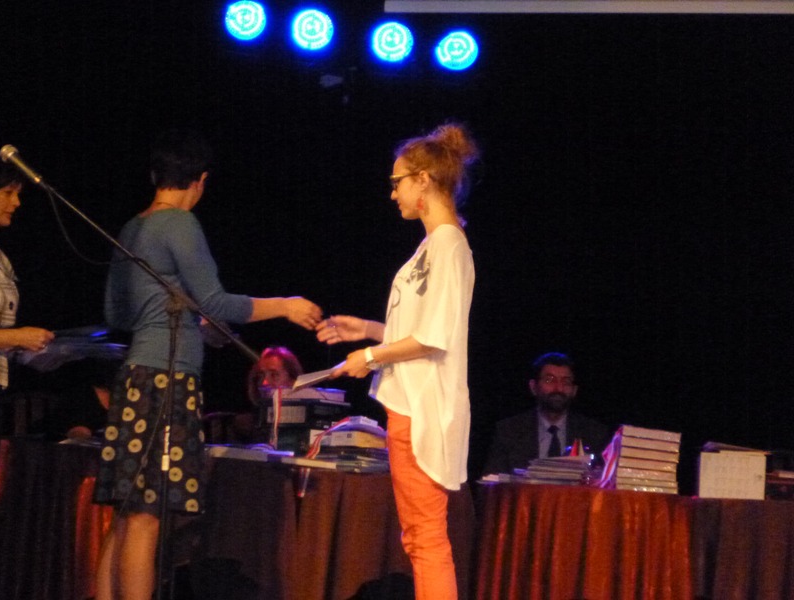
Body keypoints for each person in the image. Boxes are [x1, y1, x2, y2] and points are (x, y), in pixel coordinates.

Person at [93, 129, 323, 600]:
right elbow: (217, 303)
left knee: (129, 512)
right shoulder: (179, 223)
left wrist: (179, 317)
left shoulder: (133, 227)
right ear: (200, 181)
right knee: (147, 516)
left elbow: (117, 314)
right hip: (165, 380)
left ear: (155, 175)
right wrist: (284, 305)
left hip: (136, 377)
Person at [316, 123, 479, 600]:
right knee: (419, 538)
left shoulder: (449, 245)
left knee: (426, 540)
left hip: (425, 411)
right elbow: (420, 328)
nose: (393, 194)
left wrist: (369, 356)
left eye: (397, 182)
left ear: (423, 179)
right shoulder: (430, 247)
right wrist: (368, 331)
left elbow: (433, 337)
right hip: (407, 406)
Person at [0, 162, 55, 461]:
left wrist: (28, 347)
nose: (17, 202)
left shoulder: (1, 259)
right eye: (8, 193)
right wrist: (18, 337)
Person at [482, 352, 612, 475]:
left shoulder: (595, 434)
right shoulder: (509, 431)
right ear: (533, 387)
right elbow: (491, 484)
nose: (558, 388)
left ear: (574, 390)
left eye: (566, 382)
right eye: (550, 380)